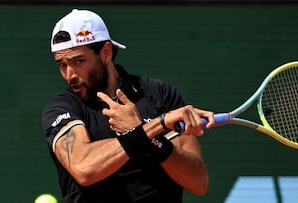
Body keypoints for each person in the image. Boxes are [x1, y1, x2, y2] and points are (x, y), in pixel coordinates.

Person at [41, 9, 215, 203]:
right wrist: (148, 129)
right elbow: (84, 168)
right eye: (62, 64)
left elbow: (198, 182)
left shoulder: (160, 94)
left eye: (78, 61)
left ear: (106, 52)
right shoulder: (62, 107)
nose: (69, 74)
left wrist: (149, 138)